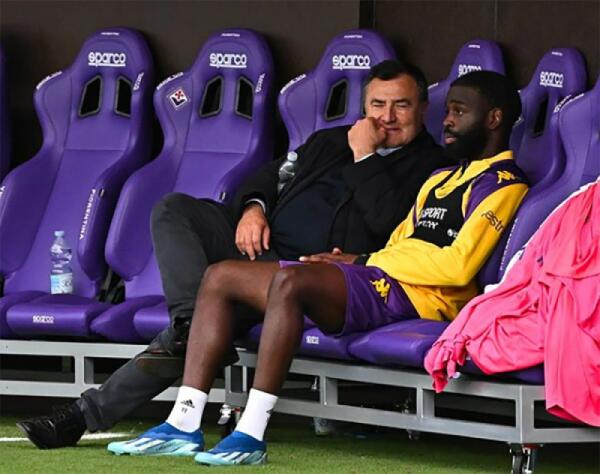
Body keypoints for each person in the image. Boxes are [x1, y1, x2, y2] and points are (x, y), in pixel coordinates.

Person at [17, 60, 452, 449]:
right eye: (377, 104)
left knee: (206, 315)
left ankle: (85, 415)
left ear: (422, 108)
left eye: (400, 106)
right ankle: (191, 321)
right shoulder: (329, 141)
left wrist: (365, 157)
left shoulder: (433, 165)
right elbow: (268, 176)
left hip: (311, 279)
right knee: (174, 209)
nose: (386, 117)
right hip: (259, 250)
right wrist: (253, 208)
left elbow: (389, 222)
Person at [103, 70, 529, 465]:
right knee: (221, 276)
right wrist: (266, 214)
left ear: (493, 119)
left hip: (421, 298)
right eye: (449, 110)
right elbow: (399, 243)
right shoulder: (442, 179)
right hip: (379, 278)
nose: (448, 121)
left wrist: (364, 259)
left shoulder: (503, 184)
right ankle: (183, 421)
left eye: (459, 112)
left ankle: (251, 433)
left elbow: (457, 267)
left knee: (291, 281)